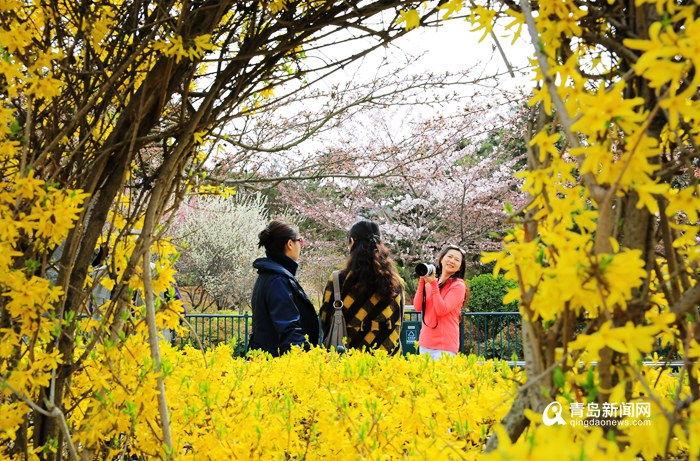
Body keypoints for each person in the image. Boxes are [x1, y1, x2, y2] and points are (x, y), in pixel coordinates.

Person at [319, 220, 404, 354]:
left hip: (348, 357)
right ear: (379, 243)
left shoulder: (338, 280)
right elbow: (399, 320)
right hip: (388, 360)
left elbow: (325, 318)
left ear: (352, 241)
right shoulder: (395, 282)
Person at [249, 220, 319, 356]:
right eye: (300, 240)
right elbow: (289, 329)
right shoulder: (277, 280)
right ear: (290, 244)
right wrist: (310, 357)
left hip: (267, 360)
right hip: (278, 366)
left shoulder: (271, 275)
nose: (302, 245)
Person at [413, 244, 469, 360]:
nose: (452, 261)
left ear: (459, 267)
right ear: (441, 259)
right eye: (449, 257)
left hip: (445, 345)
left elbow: (441, 310)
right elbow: (418, 307)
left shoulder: (458, 286)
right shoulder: (432, 284)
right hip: (425, 342)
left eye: (457, 260)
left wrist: (433, 284)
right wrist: (422, 281)